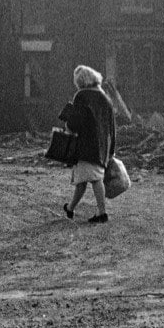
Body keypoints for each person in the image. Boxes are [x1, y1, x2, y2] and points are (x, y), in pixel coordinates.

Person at [61, 64, 117, 224]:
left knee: (91, 179)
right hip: (101, 147)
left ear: (80, 80)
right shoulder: (105, 98)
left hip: (84, 145)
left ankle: (102, 213)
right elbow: (112, 127)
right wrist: (111, 149)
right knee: (87, 179)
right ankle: (70, 208)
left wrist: (68, 126)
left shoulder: (81, 96)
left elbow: (75, 122)